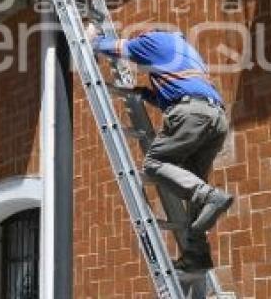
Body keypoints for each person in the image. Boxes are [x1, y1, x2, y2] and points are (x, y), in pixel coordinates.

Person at [86, 24, 233, 269]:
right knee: (192, 180)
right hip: (215, 118)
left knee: (155, 164)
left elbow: (114, 47)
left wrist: (92, 39)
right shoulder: (187, 52)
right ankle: (197, 254)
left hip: (192, 114)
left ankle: (210, 197)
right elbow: (181, 88)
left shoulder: (153, 40)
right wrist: (146, 93)